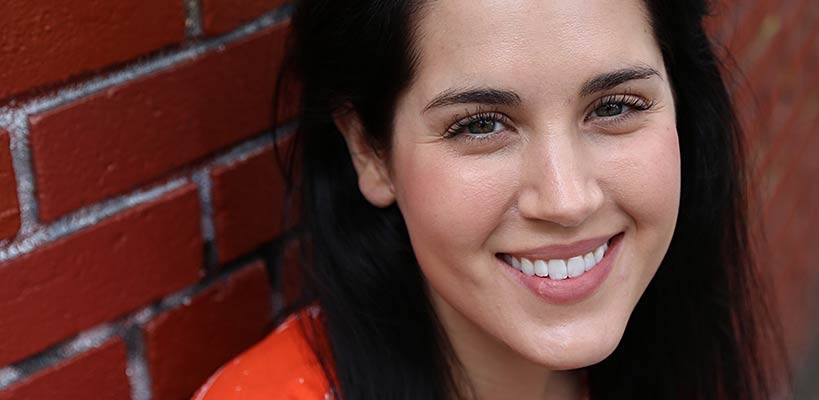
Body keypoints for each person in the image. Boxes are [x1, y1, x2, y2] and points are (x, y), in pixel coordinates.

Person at [195, 0, 783, 399]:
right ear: (370, 153)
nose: (566, 198)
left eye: (614, 107)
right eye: (480, 125)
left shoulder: (671, 358)